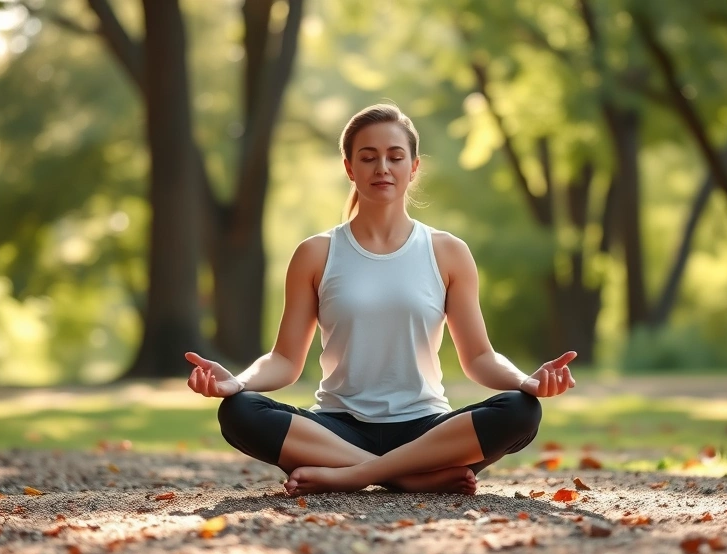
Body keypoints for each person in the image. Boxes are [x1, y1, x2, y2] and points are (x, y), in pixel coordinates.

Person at [185, 103, 577, 496]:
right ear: (349, 168)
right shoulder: (316, 253)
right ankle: (406, 477)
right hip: (338, 427)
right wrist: (236, 383)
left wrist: (526, 381)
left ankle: (351, 475)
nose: (382, 168)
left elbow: (478, 358)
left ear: (414, 167)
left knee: (521, 410)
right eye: (368, 158)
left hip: (425, 430)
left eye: (395, 157)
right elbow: (285, 360)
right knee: (239, 412)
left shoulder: (447, 252)